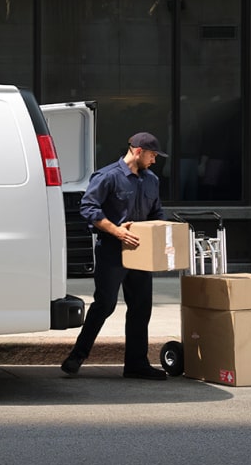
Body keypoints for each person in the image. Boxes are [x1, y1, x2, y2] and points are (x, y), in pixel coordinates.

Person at [61, 132, 170, 380]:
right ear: (138, 151)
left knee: (141, 307)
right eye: (153, 155)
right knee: (105, 304)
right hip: (112, 250)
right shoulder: (108, 176)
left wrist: (161, 236)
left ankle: (136, 365)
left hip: (141, 252)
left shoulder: (151, 180)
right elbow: (88, 207)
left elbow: (157, 214)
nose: (155, 161)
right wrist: (117, 231)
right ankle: (77, 356)